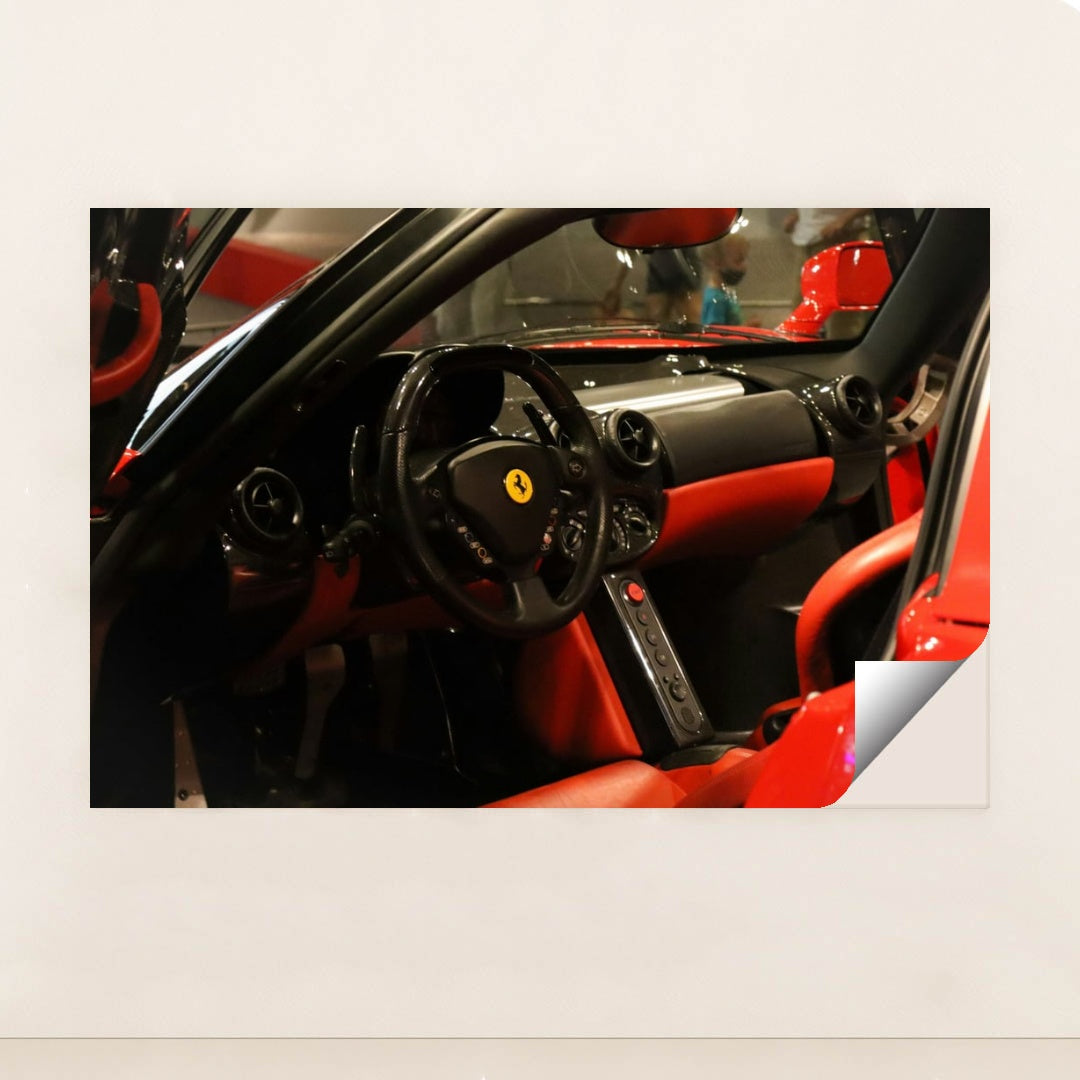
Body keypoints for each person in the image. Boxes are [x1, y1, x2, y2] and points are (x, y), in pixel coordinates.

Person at [699, 234, 761, 327]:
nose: (745, 266)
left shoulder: (725, 293)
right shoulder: (716, 300)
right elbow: (716, 336)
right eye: (739, 260)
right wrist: (747, 327)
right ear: (716, 263)